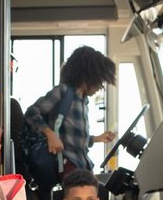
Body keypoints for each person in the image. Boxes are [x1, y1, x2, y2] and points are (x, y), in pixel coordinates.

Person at [22, 46, 118, 176]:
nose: (99, 87)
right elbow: (31, 112)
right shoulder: (63, 92)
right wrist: (50, 135)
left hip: (81, 163)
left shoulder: (84, 102)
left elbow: (72, 138)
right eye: (99, 82)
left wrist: (97, 139)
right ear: (89, 77)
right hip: (67, 164)